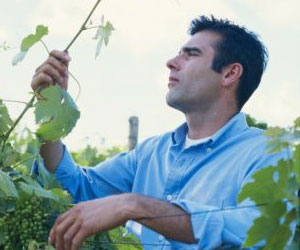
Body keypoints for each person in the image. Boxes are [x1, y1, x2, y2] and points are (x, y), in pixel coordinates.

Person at [31, 16, 286, 250]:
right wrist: (51, 105)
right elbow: (73, 188)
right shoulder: (151, 153)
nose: (171, 62)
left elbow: (257, 232)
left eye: (191, 55)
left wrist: (133, 205)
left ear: (230, 73)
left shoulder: (269, 153)